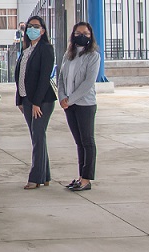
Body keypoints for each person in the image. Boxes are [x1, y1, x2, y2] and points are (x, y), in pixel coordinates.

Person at [58, 21, 101, 192]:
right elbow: (61, 78)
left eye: (86, 33)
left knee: (87, 141)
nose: (82, 36)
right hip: (69, 105)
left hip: (85, 104)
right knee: (79, 142)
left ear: (90, 37)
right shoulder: (68, 55)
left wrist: (71, 99)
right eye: (78, 33)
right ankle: (80, 175)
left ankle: (86, 178)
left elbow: (88, 83)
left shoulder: (93, 56)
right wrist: (62, 97)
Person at [15, 15, 57, 190]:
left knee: (38, 137)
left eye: (36, 26)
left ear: (43, 30)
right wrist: (20, 99)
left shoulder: (46, 49)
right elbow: (20, 76)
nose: (32, 29)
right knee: (36, 137)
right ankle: (45, 175)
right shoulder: (25, 50)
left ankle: (35, 177)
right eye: (29, 26)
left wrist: (36, 103)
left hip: (41, 101)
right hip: (26, 100)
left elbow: (43, 77)